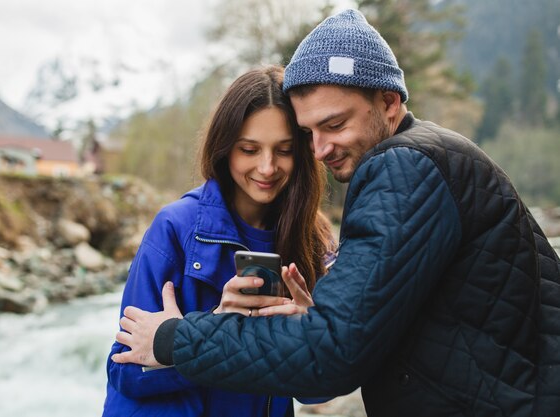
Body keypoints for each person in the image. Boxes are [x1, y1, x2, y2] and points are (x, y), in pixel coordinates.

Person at [111, 9, 560, 417]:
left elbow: (328, 359)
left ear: (389, 103)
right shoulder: (176, 227)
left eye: (335, 124)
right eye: (309, 133)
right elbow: (128, 364)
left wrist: (181, 338)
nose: (320, 149)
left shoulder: (403, 168)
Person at [102, 65, 335, 417]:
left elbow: (317, 394)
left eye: (283, 150)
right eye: (249, 149)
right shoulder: (175, 227)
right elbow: (125, 370)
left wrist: (311, 336)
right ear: (225, 148)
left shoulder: (312, 237)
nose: (267, 167)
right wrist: (211, 328)